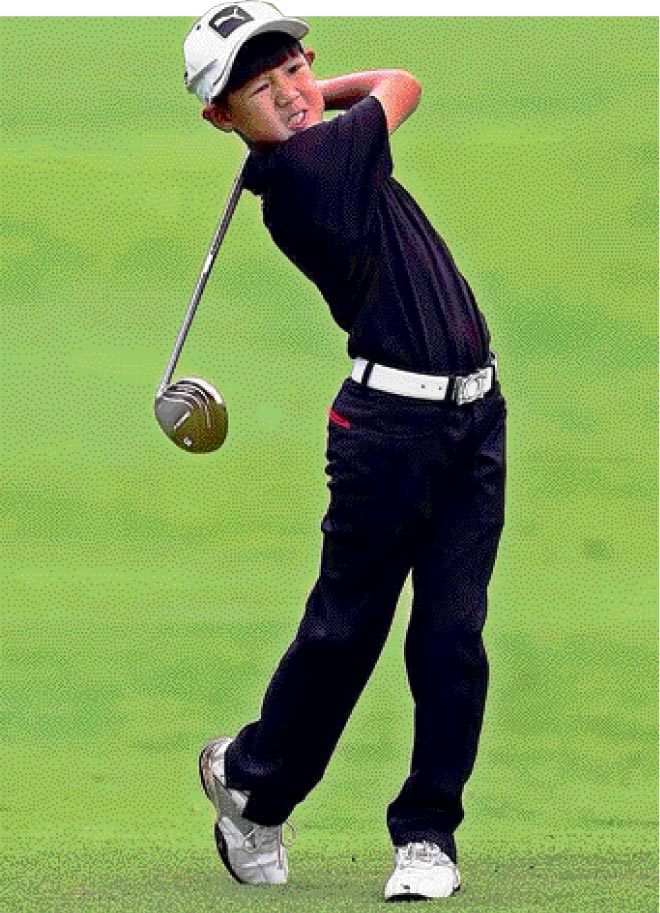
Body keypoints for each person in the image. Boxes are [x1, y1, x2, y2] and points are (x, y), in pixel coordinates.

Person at [184, 2, 507, 901]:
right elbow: (401, 82)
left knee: (452, 634)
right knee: (345, 634)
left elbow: (365, 98)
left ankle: (427, 835)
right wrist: (322, 99)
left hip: (475, 418)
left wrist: (297, 99)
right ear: (220, 118)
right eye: (255, 87)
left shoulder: (307, 153)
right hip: (387, 436)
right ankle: (253, 782)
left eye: (289, 69)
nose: (286, 93)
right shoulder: (315, 167)